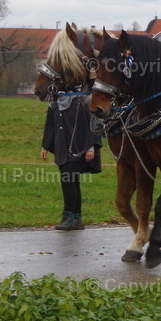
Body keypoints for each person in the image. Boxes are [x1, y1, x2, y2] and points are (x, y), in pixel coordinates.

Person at [41, 92, 102, 230]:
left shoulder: (83, 102)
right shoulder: (55, 104)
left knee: (67, 179)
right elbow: (50, 126)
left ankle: (69, 215)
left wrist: (91, 148)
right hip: (62, 150)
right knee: (72, 181)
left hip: (80, 150)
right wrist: (45, 146)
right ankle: (76, 217)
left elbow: (93, 125)